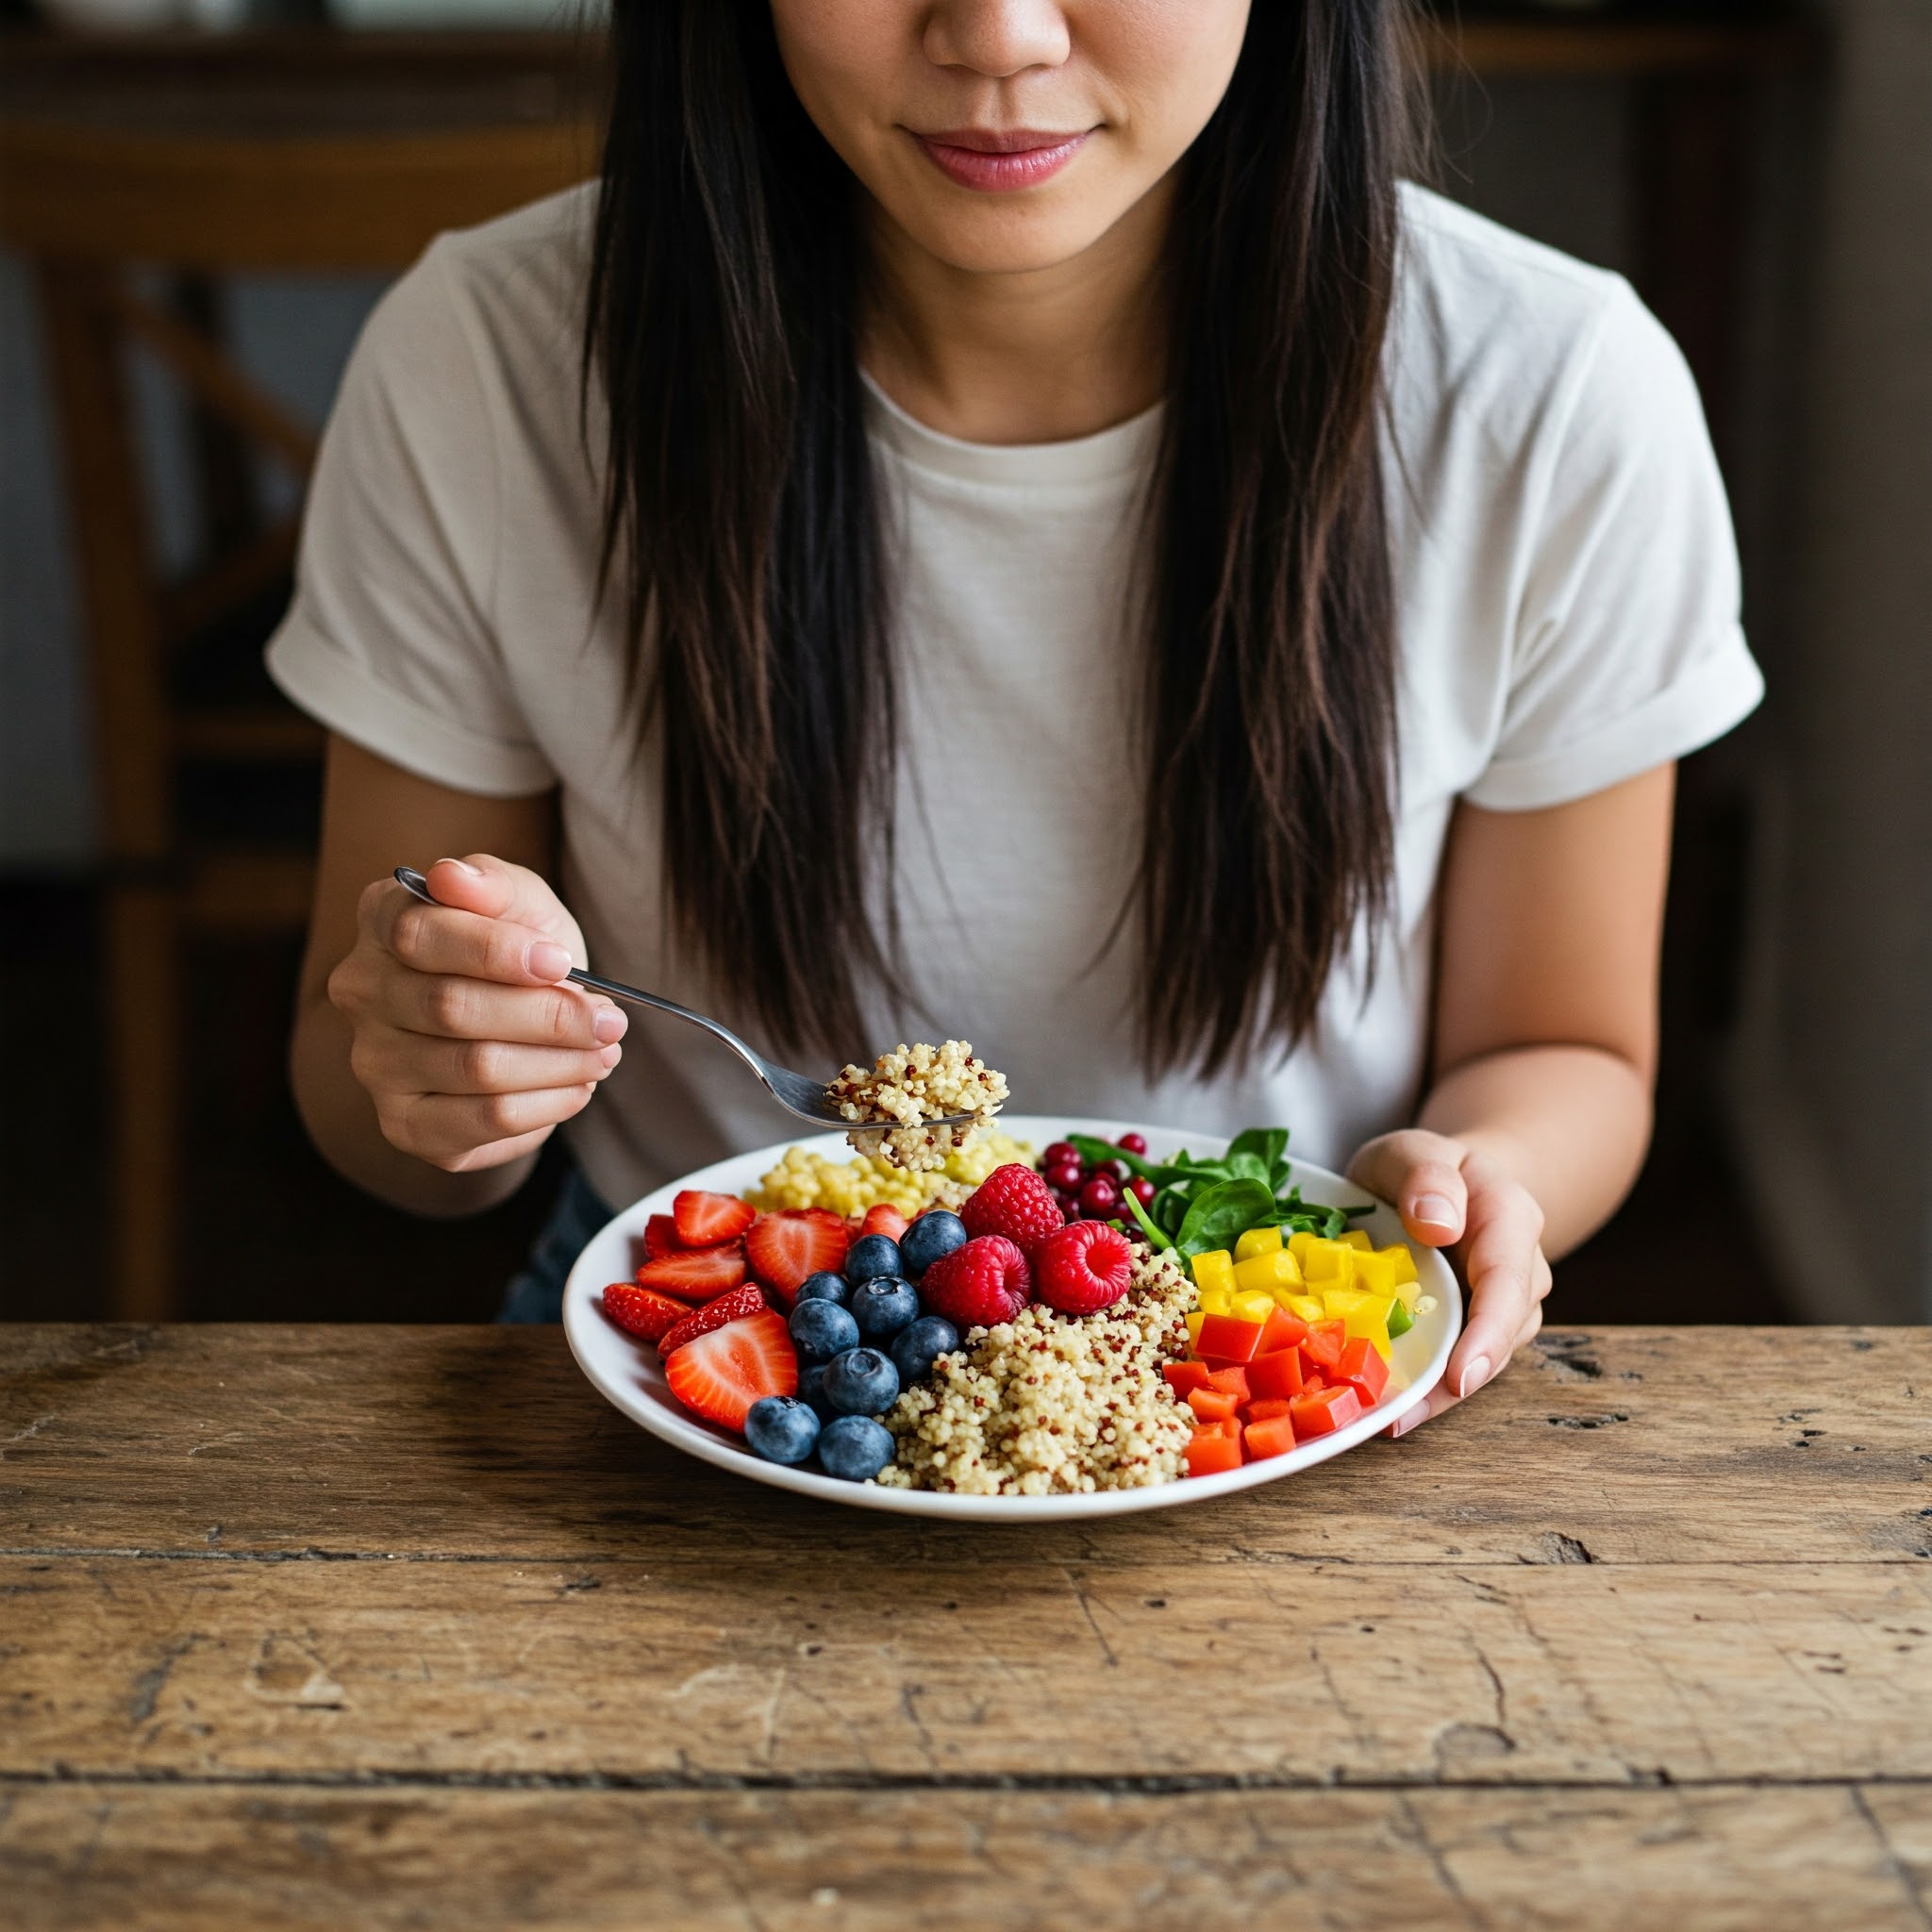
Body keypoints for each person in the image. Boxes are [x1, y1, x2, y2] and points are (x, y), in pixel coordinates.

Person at [272, 0, 1761, 1429]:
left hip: (1258, 1371)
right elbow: (381, 1136)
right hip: (703, 1343)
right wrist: (446, 1068)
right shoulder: (486, 361)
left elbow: (1570, 1047)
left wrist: (1481, 1170)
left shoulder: (1550, 397)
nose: (998, 36)